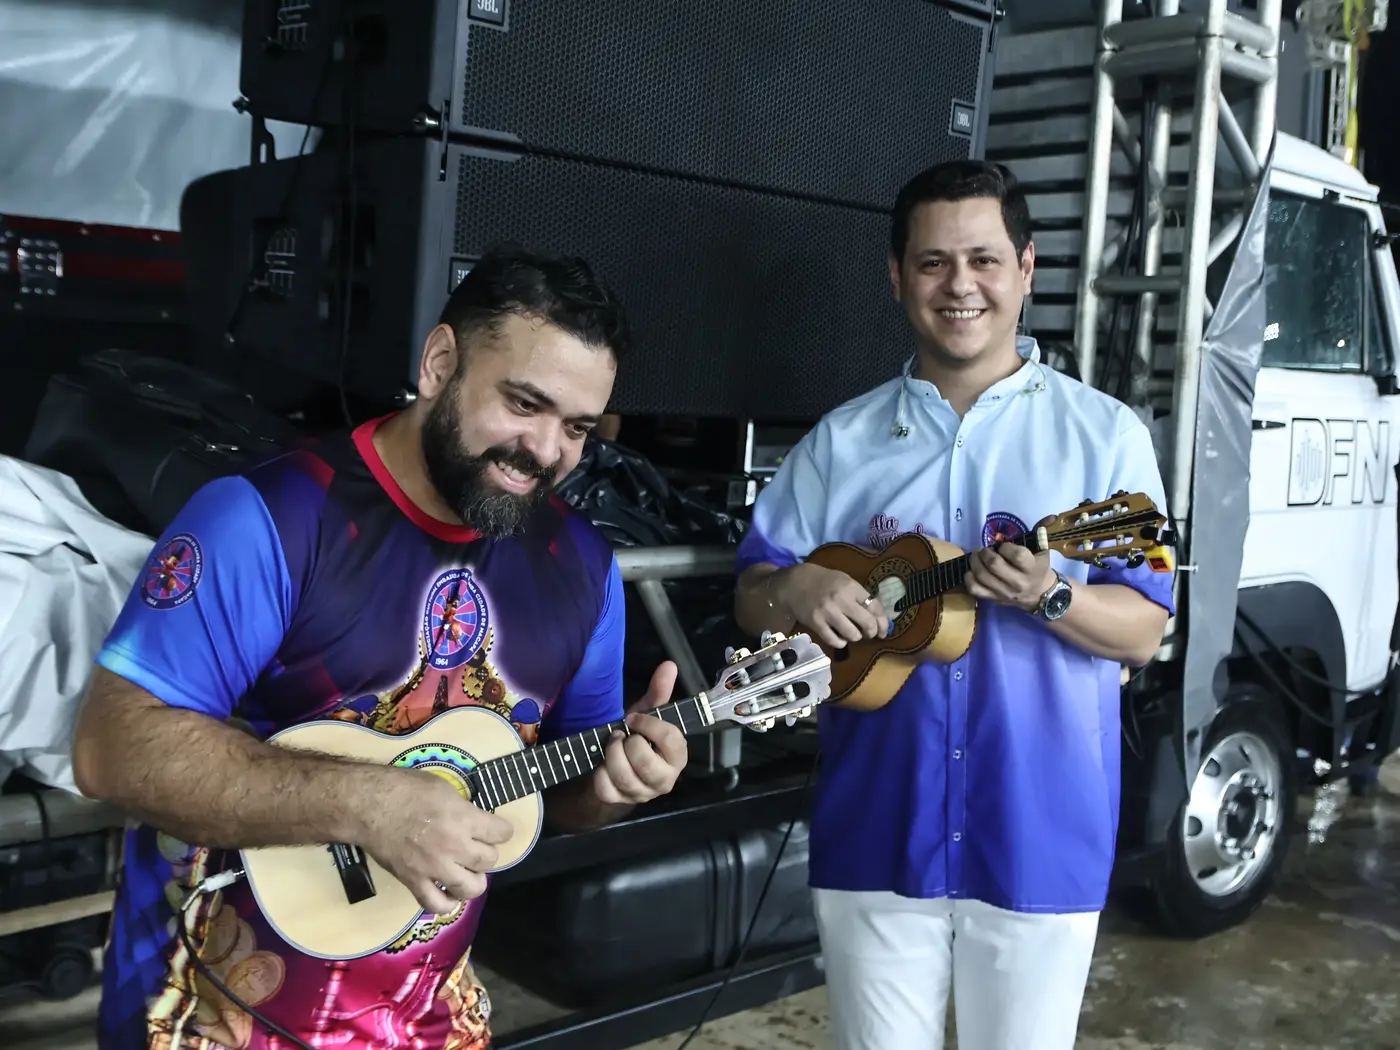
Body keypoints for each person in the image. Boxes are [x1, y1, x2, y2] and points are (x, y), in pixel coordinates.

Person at [71, 243, 691, 1050]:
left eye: (575, 427)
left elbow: (561, 797)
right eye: (523, 403)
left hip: (429, 1021)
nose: (546, 451)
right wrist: (369, 804)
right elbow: (112, 750)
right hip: (202, 1016)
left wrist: (617, 787)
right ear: (440, 364)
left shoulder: (583, 568)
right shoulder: (271, 518)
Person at [732, 161, 1175, 1050]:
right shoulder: (841, 441)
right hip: (875, 829)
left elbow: (1146, 629)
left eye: (984, 259)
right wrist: (796, 587)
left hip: (1042, 835)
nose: (959, 285)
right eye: (933, 262)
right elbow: (751, 599)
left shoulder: (1106, 436)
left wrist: (1051, 595)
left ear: (1026, 269)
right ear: (897, 277)